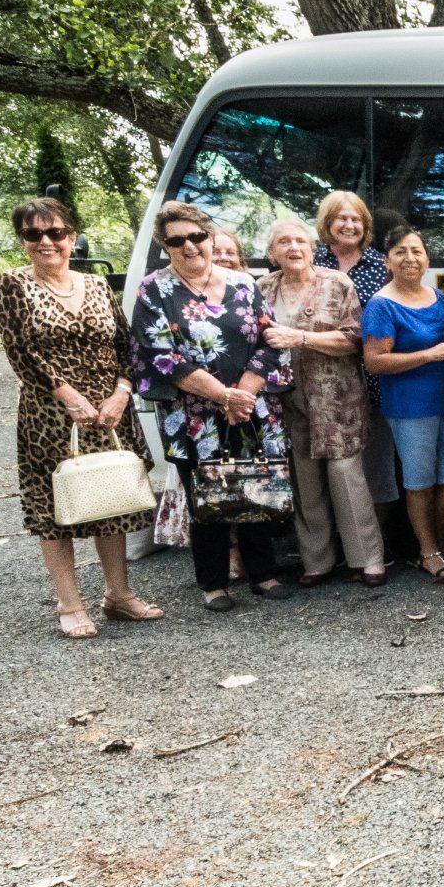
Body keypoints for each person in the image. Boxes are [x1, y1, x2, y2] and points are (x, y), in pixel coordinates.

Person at [0, 198, 162, 637]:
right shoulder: (12, 284)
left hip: (110, 411)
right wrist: (69, 397)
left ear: (72, 237)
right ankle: (69, 603)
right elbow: (20, 352)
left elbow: (126, 346)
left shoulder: (97, 285)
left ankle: (118, 595)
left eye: (55, 233)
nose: (46, 242)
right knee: (56, 507)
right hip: (50, 412)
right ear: (23, 241)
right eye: (34, 234)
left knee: (112, 498)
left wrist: (121, 394)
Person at [130, 201, 294, 611]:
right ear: (165, 246)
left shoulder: (243, 283)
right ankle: (213, 582)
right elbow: (160, 356)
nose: (190, 246)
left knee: (258, 482)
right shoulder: (155, 289)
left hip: (251, 405)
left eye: (197, 236)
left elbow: (269, 341)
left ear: (209, 236)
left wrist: (245, 394)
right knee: (205, 497)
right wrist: (222, 396)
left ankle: (263, 573)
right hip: (193, 415)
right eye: (177, 240)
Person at [258, 218, 386, 587]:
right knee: (304, 480)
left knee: (347, 477)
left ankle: (368, 559)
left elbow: (353, 339)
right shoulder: (260, 288)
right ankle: (317, 561)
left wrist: (299, 337)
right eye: (284, 242)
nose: (294, 248)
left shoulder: (337, 283)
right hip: (285, 399)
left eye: (301, 241)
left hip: (337, 397)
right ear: (272, 253)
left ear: (313, 249)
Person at [361, 225, 444, 581]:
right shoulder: (381, 304)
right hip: (409, 407)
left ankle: (440, 541)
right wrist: (429, 354)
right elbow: (375, 362)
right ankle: (426, 550)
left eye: (417, 251)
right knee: (420, 482)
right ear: (387, 260)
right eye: (401, 252)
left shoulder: (440, 298)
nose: (410, 258)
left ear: (427, 259)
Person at [313, 192, 400, 522]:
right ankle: (341, 536)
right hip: (325, 377)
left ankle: (380, 538)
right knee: (335, 460)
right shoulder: (311, 263)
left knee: (377, 459)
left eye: (356, 220)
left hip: (373, 377)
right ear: (327, 223)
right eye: (341, 218)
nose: (349, 225)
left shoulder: (381, 265)